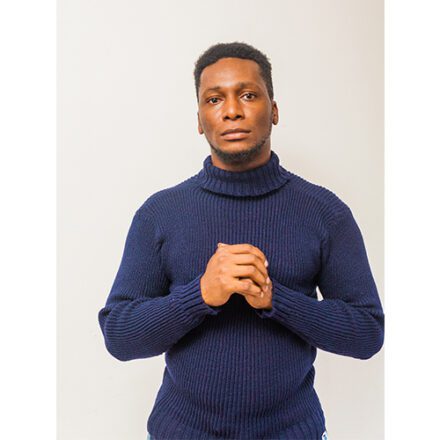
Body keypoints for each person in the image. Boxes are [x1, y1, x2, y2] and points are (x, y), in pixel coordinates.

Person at [98, 41, 384, 440]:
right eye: (214, 99)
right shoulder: (159, 214)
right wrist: (200, 294)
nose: (232, 110)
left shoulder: (324, 213)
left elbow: (367, 333)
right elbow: (120, 336)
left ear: (275, 110)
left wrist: (275, 299)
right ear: (200, 120)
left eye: (248, 95)